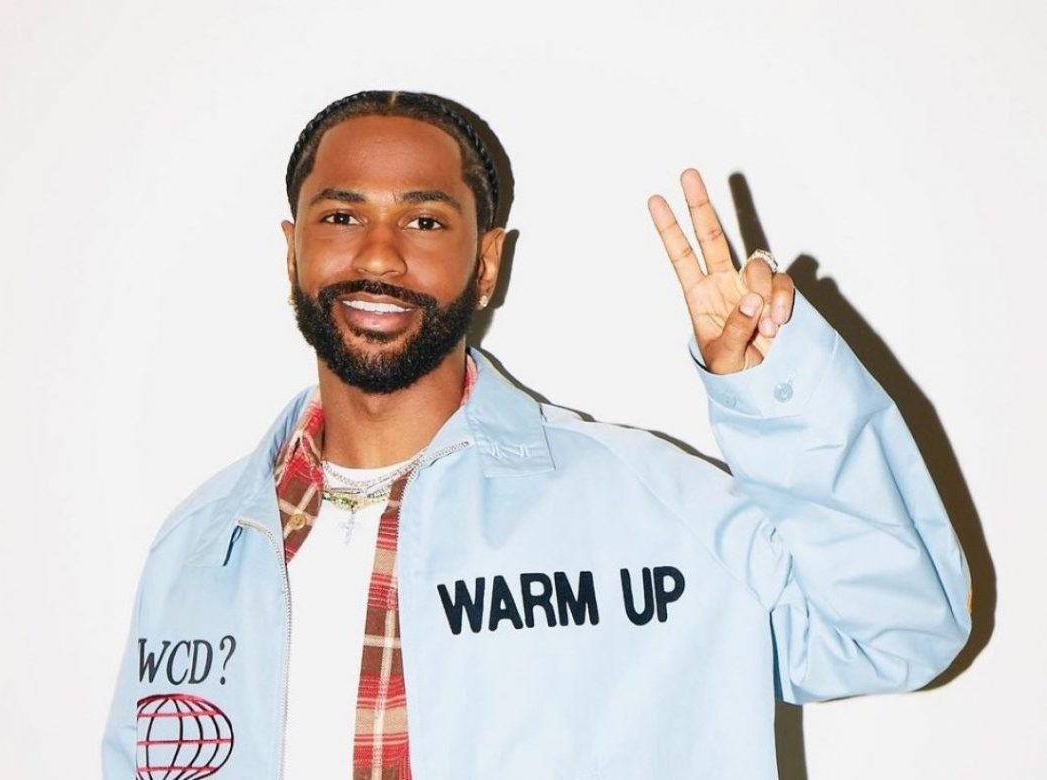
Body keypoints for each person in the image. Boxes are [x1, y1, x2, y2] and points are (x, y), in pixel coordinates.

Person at [103, 90, 971, 779]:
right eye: (341, 217)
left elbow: (897, 632)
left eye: (424, 220)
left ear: (486, 264)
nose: (378, 255)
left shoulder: (649, 505)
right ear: (292, 250)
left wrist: (776, 398)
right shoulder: (200, 547)